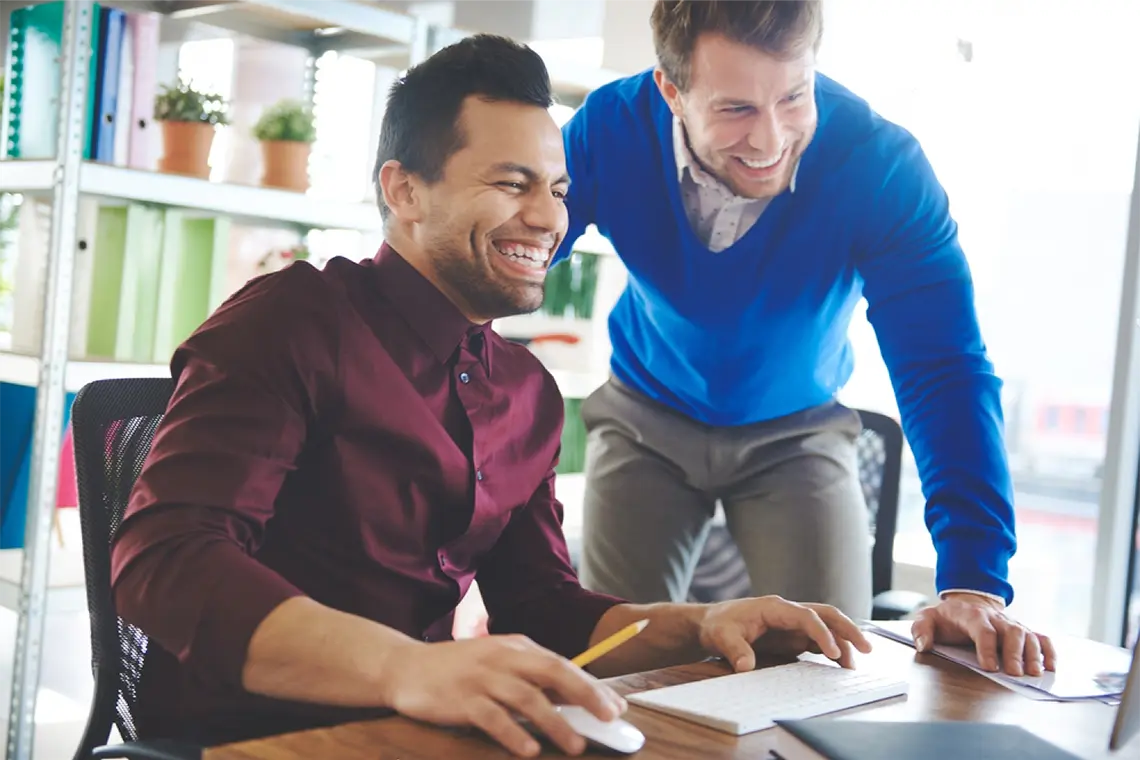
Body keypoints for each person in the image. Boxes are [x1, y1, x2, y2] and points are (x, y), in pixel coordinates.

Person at [110, 33, 872, 759]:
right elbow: (166, 561)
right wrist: (410, 668)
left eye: (559, 189)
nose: (548, 218)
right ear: (403, 190)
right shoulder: (290, 322)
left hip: (422, 730)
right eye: (513, 184)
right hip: (255, 741)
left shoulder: (526, 392)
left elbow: (540, 606)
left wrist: (704, 625)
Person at [558, 0, 1056, 679]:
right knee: (614, 661)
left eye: (794, 96)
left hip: (796, 433)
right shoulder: (607, 131)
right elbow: (511, 265)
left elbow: (943, 368)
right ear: (670, 89)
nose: (770, 140)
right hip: (645, 416)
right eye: (735, 110)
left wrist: (973, 578)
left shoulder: (880, 166)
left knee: (830, 667)